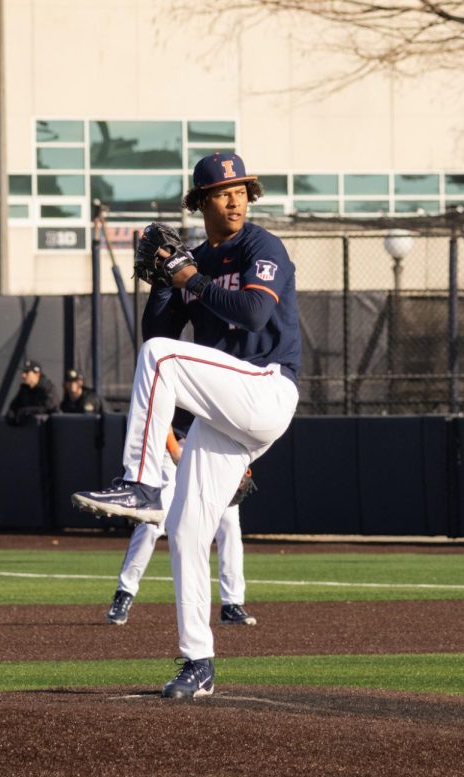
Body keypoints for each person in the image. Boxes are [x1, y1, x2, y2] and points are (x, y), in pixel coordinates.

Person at [72, 151, 300, 700]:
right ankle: (198, 662)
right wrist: (163, 281)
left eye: (242, 189)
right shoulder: (190, 261)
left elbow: (251, 315)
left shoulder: (260, 246)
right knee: (189, 531)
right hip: (225, 413)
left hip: (267, 387)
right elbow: (157, 329)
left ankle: (141, 480)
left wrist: (191, 277)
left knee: (164, 359)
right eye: (224, 192)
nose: (237, 198)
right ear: (201, 202)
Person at [106, 422, 257, 627]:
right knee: (152, 522)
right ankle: (124, 592)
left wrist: (242, 463)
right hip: (175, 450)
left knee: (229, 525)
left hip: (216, 453)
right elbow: (163, 415)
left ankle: (231, 604)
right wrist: (176, 451)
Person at [4, 358, 59, 425]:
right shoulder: (24, 389)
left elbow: (50, 407)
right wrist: (12, 415)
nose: (23, 375)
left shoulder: (47, 388)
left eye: (27, 372)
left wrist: (27, 411)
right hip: (30, 432)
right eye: (23, 372)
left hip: (47, 431)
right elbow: (14, 406)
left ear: (37, 374)